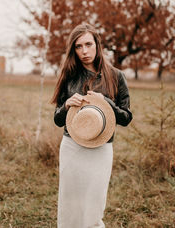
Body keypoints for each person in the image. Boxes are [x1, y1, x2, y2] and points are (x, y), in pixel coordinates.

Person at [51, 22, 132, 228]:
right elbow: (57, 120)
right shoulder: (69, 76)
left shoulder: (116, 76)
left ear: (98, 44)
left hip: (101, 149)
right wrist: (66, 105)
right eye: (78, 46)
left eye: (88, 44)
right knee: (69, 204)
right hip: (72, 147)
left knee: (94, 205)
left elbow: (126, 117)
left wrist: (107, 103)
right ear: (73, 49)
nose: (84, 51)